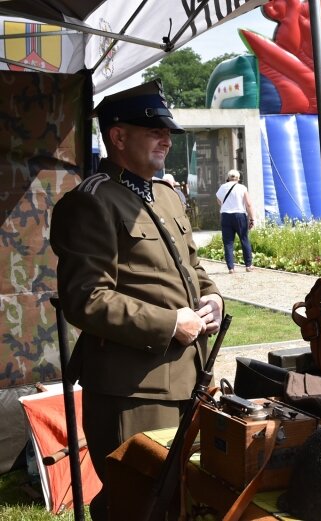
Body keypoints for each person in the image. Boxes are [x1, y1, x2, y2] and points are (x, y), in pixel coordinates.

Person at [50, 79, 223, 521]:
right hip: (134, 387)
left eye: (168, 131)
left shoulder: (166, 193)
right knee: (138, 501)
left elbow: (191, 266)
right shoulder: (91, 202)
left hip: (191, 377)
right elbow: (85, 298)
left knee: (184, 499)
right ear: (118, 136)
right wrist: (168, 324)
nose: (166, 139)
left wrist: (212, 298)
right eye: (153, 131)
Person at [216, 169, 255, 273]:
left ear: (228, 178)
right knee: (244, 239)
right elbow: (248, 204)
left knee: (228, 242)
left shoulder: (222, 187)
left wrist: (227, 205)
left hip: (226, 216)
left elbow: (219, 201)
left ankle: (231, 268)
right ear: (238, 178)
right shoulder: (242, 188)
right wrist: (252, 218)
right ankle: (248, 265)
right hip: (239, 215)